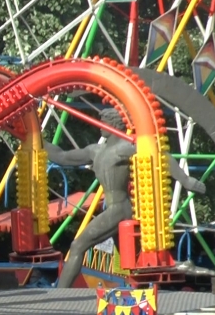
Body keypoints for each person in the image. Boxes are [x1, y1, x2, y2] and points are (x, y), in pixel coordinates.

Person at [44, 108, 206, 288]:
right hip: (113, 208)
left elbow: (161, 156)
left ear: (114, 125)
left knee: (77, 246)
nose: (100, 126)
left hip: (120, 209)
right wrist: (38, 139)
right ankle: (179, 268)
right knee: (135, 263)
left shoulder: (124, 148)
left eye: (104, 122)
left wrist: (185, 180)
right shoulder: (95, 151)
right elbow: (62, 157)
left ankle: (61, 292)